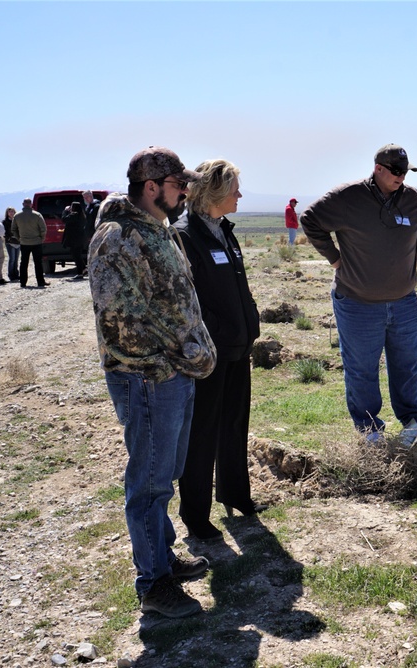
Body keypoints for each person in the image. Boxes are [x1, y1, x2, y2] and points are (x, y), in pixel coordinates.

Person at [88, 146, 216, 618]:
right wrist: (173, 359)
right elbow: (120, 318)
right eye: (178, 184)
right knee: (148, 482)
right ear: (150, 187)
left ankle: (162, 557)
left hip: (173, 375)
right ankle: (153, 584)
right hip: (148, 378)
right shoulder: (117, 236)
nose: (184, 191)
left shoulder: (156, 231)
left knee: (164, 476)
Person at [300, 144, 417, 442]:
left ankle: (414, 419)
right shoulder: (348, 197)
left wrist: (413, 255)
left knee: (407, 365)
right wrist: (335, 259)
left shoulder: (412, 200)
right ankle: (368, 428)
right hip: (357, 303)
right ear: (378, 168)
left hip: (403, 301)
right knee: (362, 369)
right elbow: (310, 219)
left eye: (406, 172)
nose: (401, 177)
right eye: (396, 171)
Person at [174, 159, 263, 542]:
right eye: (234, 189)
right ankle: (196, 515)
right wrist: (222, 329)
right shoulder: (184, 235)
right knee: (202, 433)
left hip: (237, 347)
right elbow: (188, 299)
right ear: (213, 192)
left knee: (234, 424)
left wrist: (250, 320)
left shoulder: (224, 230)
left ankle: (236, 495)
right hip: (208, 352)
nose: (239, 195)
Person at [12, 198, 48, 288]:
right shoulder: (37, 215)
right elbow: (43, 229)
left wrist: (19, 238)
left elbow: (13, 229)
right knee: (38, 263)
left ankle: (23, 282)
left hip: (24, 243)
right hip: (36, 242)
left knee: (24, 263)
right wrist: (42, 238)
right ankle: (40, 282)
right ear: (31, 204)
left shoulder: (17, 216)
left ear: (23, 204)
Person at [62, 201, 88, 278]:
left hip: (74, 240)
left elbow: (64, 219)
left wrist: (65, 211)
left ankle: (80, 273)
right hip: (79, 239)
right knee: (78, 255)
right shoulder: (81, 215)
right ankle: (84, 269)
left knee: (76, 256)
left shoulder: (75, 215)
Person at [2, 207, 20, 282]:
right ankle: (11, 275)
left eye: (12, 211)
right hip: (10, 242)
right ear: (7, 213)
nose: (11, 213)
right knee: (12, 259)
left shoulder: (18, 220)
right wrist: (9, 238)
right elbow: (4, 232)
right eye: (9, 212)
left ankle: (16, 274)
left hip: (18, 242)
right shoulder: (5, 222)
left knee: (16, 259)